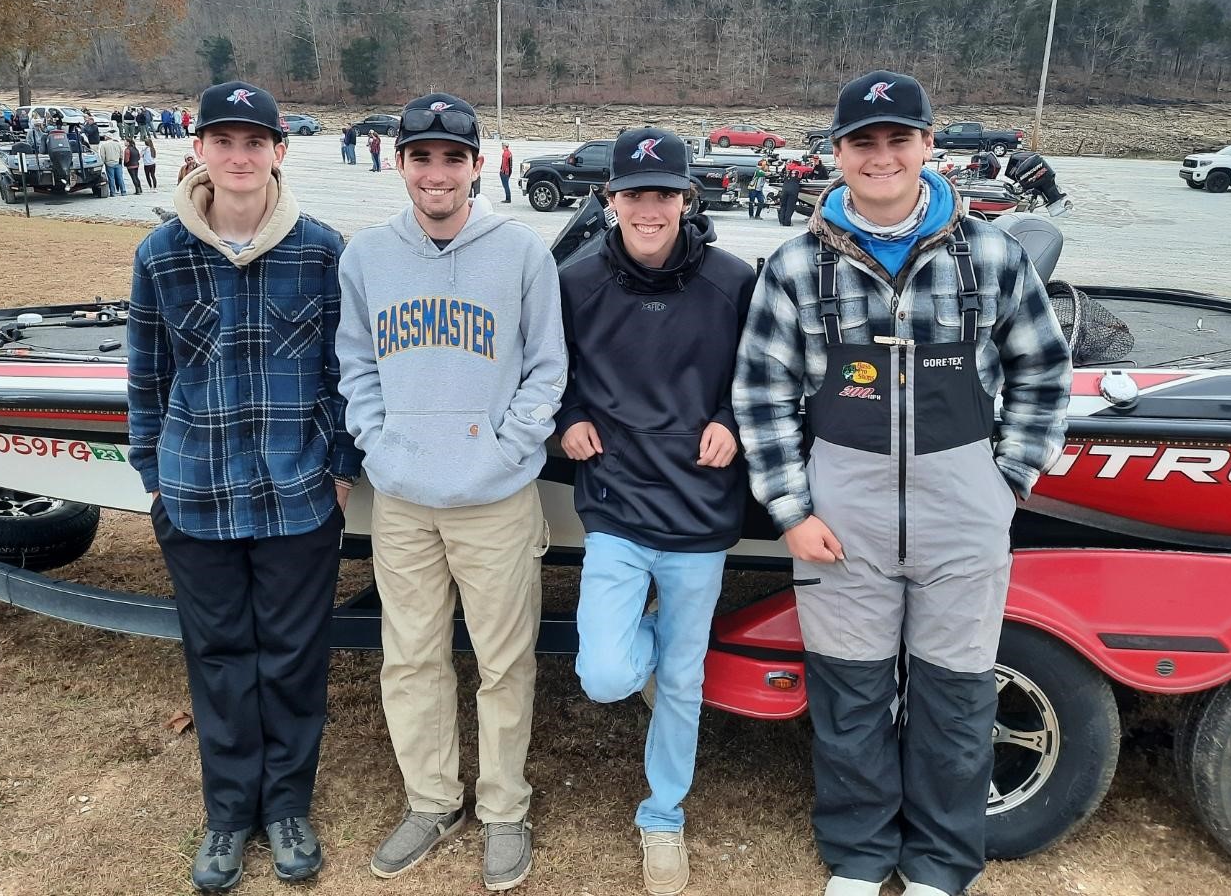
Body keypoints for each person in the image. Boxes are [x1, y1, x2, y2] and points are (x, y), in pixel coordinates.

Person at [732, 69, 1072, 896]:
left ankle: (939, 865)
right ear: (838, 153)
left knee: (955, 703)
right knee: (850, 702)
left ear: (928, 144)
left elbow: (1042, 373)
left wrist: (1010, 480)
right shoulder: (796, 265)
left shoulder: (991, 255)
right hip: (840, 520)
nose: (880, 157)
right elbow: (763, 392)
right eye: (862, 142)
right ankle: (857, 857)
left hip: (964, 513)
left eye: (898, 139)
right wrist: (791, 509)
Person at [127, 79, 359, 892]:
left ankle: (287, 806)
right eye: (222, 141)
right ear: (197, 150)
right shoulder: (159, 256)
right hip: (195, 496)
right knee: (220, 657)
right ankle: (229, 813)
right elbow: (146, 379)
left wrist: (339, 470)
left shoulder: (323, 250)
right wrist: (154, 473)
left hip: (299, 496)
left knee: (294, 657)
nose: (238, 156)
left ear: (278, 154)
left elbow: (344, 374)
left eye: (253, 142)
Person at [336, 93, 565, 893]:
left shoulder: (521, 253)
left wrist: (507, 447)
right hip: (403, 498)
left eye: (452, 157)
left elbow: (547, 368)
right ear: (398, 162)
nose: (437, 173)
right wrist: (381, 441)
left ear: (477, 165)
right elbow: (357, 364)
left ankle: (504, 809)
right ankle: (433, 800)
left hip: (495, 498)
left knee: (504, 664)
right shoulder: (366, 255)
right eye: (421, 156)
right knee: (412, 657)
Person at [558, 128, 755, 896]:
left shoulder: (734, 282)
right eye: (635, 194)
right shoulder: (574, 283)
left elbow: (766, 372)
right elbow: (550, 371)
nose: (650, 208)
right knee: (607, 674)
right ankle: (651, 648)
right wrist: (564, 417)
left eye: (664, 193)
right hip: (614, 505)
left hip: (701, 516)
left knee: (682, 680)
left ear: (685, 199)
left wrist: (733, 421)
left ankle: (663, 815)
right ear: (611, 200)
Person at [776, 159, 806, 227]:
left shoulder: (787, 167)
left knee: (783, 205)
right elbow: (810, 169)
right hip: (793, 188)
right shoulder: (800, 168)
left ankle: (781, 221)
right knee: (790, 206)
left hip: (785, 188)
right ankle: (787, 222)